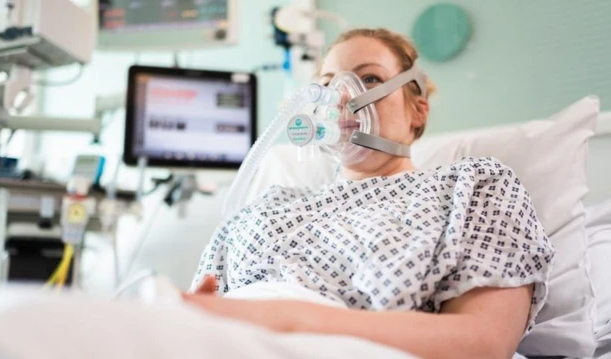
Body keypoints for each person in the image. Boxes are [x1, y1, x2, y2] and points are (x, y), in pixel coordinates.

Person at [183, 28, 555, 359]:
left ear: (418, 112)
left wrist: (288, 319)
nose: (342, 98)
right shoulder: (266, 207)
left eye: (370, 78)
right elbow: (191, 310)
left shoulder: (472, 188)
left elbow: (484, 344)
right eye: (328, 85)